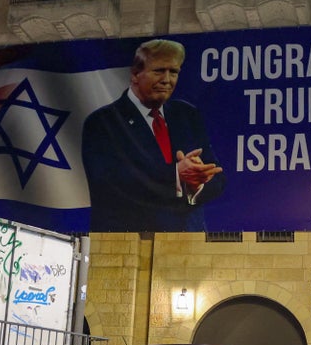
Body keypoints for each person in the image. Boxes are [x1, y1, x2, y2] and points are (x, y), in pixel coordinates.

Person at [82, 39, 225, 232]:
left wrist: (195, 184)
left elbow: (217, 180)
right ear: (135, 74)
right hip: (126, 245)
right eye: (159, 71)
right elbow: (118, 185)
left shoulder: (188, 115)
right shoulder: (102, 123)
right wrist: (177, 174)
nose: (167, 80)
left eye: (173, 72)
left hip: (189, 245)